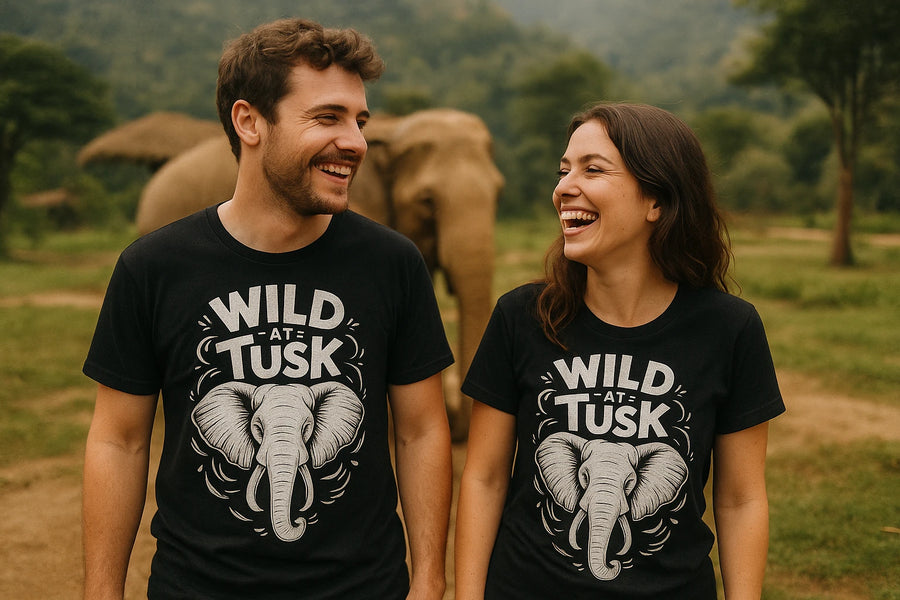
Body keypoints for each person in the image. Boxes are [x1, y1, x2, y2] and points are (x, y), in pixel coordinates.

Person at [82, 18, 453, 600]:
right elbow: (118, 440)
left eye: (359, 121)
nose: (355, 141)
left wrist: (430, 581)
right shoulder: (153, 267)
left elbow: (422, 429)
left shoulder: (391, 263)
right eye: (327, 117)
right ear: (249, 121)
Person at [455, 102, 785, 599]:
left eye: (593, 170)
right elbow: (484, 479)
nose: (564, 187)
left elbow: (740, 499)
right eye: (564, 170)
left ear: (656, 200)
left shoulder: (729, 329)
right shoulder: (522, 317)